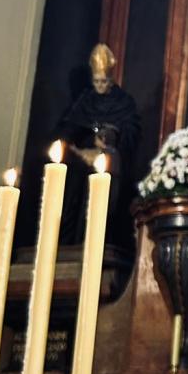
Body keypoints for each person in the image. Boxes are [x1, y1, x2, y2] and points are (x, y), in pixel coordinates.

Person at [56, 44, 140, 248]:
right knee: (69, 175)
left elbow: (131, 132)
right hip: (82, 156)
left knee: (108, 178)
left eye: (104, 82)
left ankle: (96, 239)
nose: (100, 87)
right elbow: (70, 128)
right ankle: (69, 242)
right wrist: (81, 141)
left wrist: (112, 137)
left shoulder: (123, 102)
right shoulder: (86, 100)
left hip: (109, 158)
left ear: (111, 79)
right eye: (96, 82)